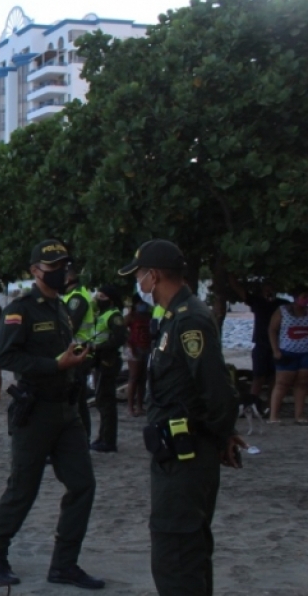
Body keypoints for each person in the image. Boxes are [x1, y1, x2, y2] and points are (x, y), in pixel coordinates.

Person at [119, 239, 244, 596]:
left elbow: (217, 389)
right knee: (186, 547)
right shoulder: (175, 316)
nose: (139, 284)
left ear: (154, 276)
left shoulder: (188, 320)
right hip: (178, 451)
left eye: (140, 276)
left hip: (186, 455)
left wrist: (221, 436)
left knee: (177, 549)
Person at [0, 239, 101, 589]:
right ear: (35, 271)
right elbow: (6, 358)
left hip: (67, 410)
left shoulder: (60, 308)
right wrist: (55, 364)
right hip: (35, 412)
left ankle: (64, 564)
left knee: (83, 485)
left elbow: (60, 353)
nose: (63, 272)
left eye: (65, 266)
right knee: (23, 489)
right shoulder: (22, 309)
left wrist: (76, 356)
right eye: (54, 268)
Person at [229, 278, 288, 415]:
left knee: (274, 378)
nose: (269, 291)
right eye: (267, 288)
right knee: (258, 377)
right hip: (261, 344)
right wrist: (231, 277)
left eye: (271, 288)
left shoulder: (282, 304)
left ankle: (270, 407)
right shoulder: (257, 302)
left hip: (278, 345)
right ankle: (251, 405)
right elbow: (240, 291)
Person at [89, 286, 127, 453]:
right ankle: (102, 436)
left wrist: (99, 346)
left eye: (102, 296)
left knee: (107, 401)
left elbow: (119, 338)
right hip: (101, 360)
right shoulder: (103, 314)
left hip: (108, 360)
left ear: (110, 299)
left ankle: (109, 440)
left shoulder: (114, 316)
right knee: (101, 400)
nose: (98, 298)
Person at [62, 268, 98, 437]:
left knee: (77, 401)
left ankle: (81, 440)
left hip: (78, 352)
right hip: (76, 351)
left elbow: (70, 326)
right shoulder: (72, 296)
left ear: (69, 278)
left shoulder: (77, 298)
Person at [267, 287, 308, 424]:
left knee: (302, 383)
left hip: (305, 352)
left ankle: (299, 415)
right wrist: (275, 350)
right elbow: (272, 330)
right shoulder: (282, 310)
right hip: (287, 351)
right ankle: (273, 416)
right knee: (282, 384)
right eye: (304, 297)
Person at [124, 297, 153, 417]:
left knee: (142, 378)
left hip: (147, 347)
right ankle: (131, 408)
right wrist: (129, 344)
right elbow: (122, 330)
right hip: (134, 348)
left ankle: (140, 406)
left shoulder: (148, 315)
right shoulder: (131, 316)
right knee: (134, 377)